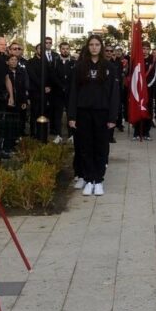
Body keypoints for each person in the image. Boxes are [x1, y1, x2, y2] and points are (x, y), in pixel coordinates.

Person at [68, 35, 119, 196]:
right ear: (88, 47)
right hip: (83, 112)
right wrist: (72, 116)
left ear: (101, 47)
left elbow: (114, 94)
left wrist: (113, 117)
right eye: (91, 44)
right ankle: (89, 179)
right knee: (85, 146)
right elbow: (73, 93)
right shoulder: (80, 67)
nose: (94, 47)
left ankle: (99, 180)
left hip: (102, 113)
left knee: (101, 147)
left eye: (97, 44)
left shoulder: (109, 67)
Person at [51, 42, 75, 143]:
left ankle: (71, 135)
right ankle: (58, 135)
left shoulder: (74, 62)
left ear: (69, 50)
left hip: (70, 92)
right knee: (57, 114)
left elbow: (75, 77)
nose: (65, 50)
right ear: (60, 50)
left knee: (71, 114)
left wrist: (68, 87)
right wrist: (61, 86)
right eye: (63, 48)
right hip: (58, 92)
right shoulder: (55, 62)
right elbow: (53, 76)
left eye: (67, 48)